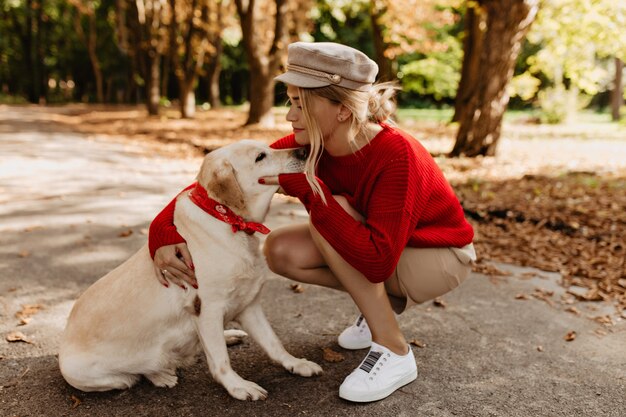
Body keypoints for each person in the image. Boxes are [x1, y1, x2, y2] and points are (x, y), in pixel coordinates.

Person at [148, 42, 476, 403]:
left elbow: (378, 261)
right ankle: (375, 309)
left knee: (329, 210)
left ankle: (394, 350)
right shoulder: (313, 145)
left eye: (300, 104)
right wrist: (162, 232)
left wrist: (312, 191)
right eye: (290, 101)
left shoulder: (396, 155)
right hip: (386, 247)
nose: (290, 115)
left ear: (342, 109)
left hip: (438, 256)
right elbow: (221, 180)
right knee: (282, 250)